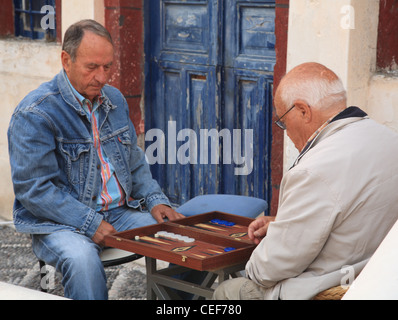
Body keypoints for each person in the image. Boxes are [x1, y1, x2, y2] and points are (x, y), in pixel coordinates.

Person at [8, 19, 184, 300]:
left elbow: (133, 159)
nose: (102, 77)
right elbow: (35, 190)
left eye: (108, 67)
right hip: (60, 222)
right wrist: (89, 223)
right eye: (92, 67)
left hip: (118, 213)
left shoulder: (113, 99)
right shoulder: (35, 113)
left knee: (183, 242)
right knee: (82, 262)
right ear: (66, 60)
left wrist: (155, 199)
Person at [213, 62, 398, 300]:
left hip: (327, 289)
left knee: (227, 291)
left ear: (303, 111)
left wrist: (257, 262)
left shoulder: (312, 170)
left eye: (282, 122)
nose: (286, 133)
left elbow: (269, 269)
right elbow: (354, 213)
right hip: (377, 281)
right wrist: (285, 224)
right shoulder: (389, 139)